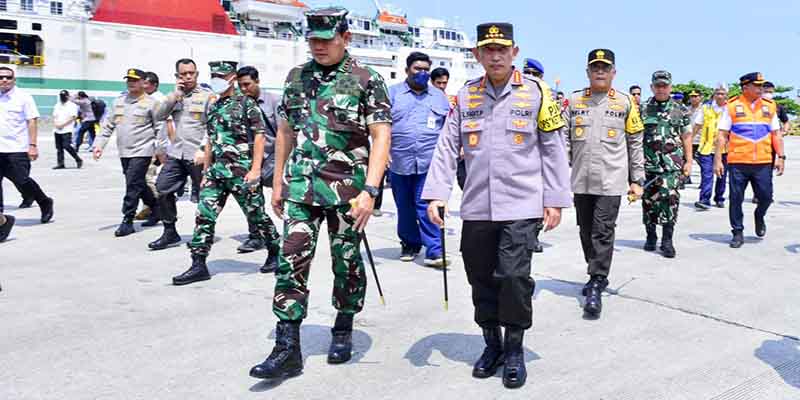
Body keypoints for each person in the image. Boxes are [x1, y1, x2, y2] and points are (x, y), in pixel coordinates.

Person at [423, 22, 570, 390]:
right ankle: (492, 344)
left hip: (522, 205)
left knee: (514, 277)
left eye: (502, 48)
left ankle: (516, 349)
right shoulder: (466, 95)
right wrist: (437, 193)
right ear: (477, 54)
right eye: (488, 49)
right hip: (477, 207)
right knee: (481, 279)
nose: (495, 55)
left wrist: (554, 199)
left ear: (514, 52)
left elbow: (553, 149)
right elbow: (446, 147)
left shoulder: (537, 93)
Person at [249, 7, 391, 380]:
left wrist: (371, 190)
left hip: (348, 190)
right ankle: (287, 347)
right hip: (300, 187)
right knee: (291, 261)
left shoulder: (365, 79)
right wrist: (277, 180)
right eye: (313, 40)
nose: (319, 46)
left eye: (327, 40)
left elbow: (380, 136)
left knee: (346, 262)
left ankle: (343, 325)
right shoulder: (297, 77)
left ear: (346, 37)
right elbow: (284, 132)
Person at [171, 60, 277, 284]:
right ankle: (198, 264)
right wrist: (206, 171)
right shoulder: (214, 105)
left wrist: (256, 169)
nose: (216, 79)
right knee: (204, 216)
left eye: (221, 75)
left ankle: (276, 252)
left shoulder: (246, 104)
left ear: (231, 78)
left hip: (241, 171)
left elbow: (260, 135)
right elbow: (210, 139)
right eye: (213, 75)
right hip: (216, 174)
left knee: (257, 216)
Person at [565, 49, 644, 318]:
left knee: (602, 230)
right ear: (587, 72)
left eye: (605, 67)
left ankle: (597, 280)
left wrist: (637, 180)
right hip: (581, 180)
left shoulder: (625, 103)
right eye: (595, 67)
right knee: (585, 231)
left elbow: (635, 143)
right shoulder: (574, 101)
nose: (600, 71)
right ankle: (595, 269)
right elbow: (563, 141)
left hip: (611, 180)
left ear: (613, 73)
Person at [387, 51, 450, 266]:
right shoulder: (392, 94)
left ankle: (435, 250)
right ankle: (410, 244)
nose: (422, 73)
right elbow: (380, 126)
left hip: (429, 161)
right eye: (417, 69)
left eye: (426, 70)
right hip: (398, 161)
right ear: (407, 71)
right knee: (404, 207)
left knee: (427, 205)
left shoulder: (438, 96)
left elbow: (447, 129)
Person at [148, 59, 215, 251]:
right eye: (183, 74)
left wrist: (204, 150)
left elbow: (213, 126)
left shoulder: (207, 96)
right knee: (162, 188)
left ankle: (202, 236)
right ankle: (170, 232)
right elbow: (159, 116)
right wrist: (174, 96)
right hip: (176, 153)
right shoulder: (174, 97)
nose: (187, 77)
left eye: (191, 73)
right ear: (177, 76)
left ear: (197, 74)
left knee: (205, 197)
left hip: (197, 155)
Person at [715, 72, 785, 248]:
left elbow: (776, 134)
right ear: (745, 87)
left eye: (762, 86)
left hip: (763, 162)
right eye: (757, 86)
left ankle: (759, 216)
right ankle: (737, 232)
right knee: (736, 199)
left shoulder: (769, 106)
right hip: (738, 162)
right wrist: (717, 160)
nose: (761, 89)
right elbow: (722, 135)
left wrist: (781, 157)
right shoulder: (731, 106)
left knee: (766, 197)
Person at [93, 68, 161, 237]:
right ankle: (156, 207)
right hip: (124, 151)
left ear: (143, 82)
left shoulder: (152, 103)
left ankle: (127, 219)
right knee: (138, 183)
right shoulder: (119, 102)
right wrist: (99, 145)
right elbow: (108, 125)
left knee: (132, 184)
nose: (131, 83)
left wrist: (161, 150)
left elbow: (160, 128)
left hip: (143, 151)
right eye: (129, 80)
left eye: (135, 80)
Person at [639, 71, 693, 258]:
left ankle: (667, 240)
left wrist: (688, 161)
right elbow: (635, 138)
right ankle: (651, 235)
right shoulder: (643, 109)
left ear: (670, 87)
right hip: (648, 164)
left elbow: (686, 136)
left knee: (670, 200)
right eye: (658, 85)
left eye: (665, 85)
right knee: (649, 201)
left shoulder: (681, 109)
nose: (661, 89)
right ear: (652, 87)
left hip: (672, 165)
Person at [234, 65, 282, 272]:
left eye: (247, 84)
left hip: (273, 156)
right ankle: (256, 236)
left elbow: (284, 133)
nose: (244, 89)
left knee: (281, 197)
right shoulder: (239, 104)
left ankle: (287, 236)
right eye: (240, 85)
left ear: (257, 81)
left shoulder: (274, 101)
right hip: (250, 158)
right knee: (251, 195)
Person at [0, 66, 55, 223]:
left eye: (8, 77)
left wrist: (32, 145)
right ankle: (1, 217)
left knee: (22, 180)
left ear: (14, 80)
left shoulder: (23, 97)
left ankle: (44, 201)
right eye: (1, 77)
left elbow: (32, 121)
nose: (4, 80)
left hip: (17, 148)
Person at [693, 83, 728, 209]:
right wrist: (689, 139)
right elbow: (697, 125)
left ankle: (719, 198)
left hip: (725, 149)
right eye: (717, 93)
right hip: (706, 147)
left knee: (721, 175)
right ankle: (704, 200)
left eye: (722, 94)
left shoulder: (729, 109)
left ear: (726, 96)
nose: (719, 96)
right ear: (714, 94)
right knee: (706, 174)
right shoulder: (705, 108)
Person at [51, 90, 83, 169]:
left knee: (67, 146)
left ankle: (78, 159)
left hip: (67, 129)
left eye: (64, 96)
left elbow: (73, 117)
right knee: (59, 148)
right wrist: (56, 124)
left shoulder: (72, 105)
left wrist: (62, 125)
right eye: (61, 96)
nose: (62, 98)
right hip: (57, 129)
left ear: (68, 96)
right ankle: (61, 163)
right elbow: (54, 116)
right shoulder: (57, 105)